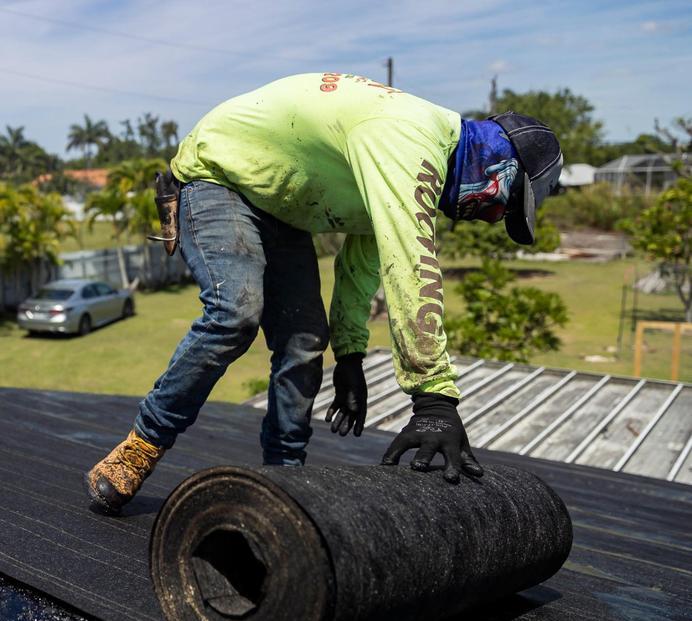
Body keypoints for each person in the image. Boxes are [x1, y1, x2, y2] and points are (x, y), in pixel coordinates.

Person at [86, 72, 562, 514]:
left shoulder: (415, 167)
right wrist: (434, 400)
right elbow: (411, 264)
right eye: (508, 201)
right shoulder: (408, 138)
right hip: (221, 175)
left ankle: (283, 479)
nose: (498, 217)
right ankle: (142, 445)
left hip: (280, 204)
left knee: (305, 339)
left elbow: (361, 266)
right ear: (499, 159)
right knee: (235, 311)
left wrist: (350, 356)